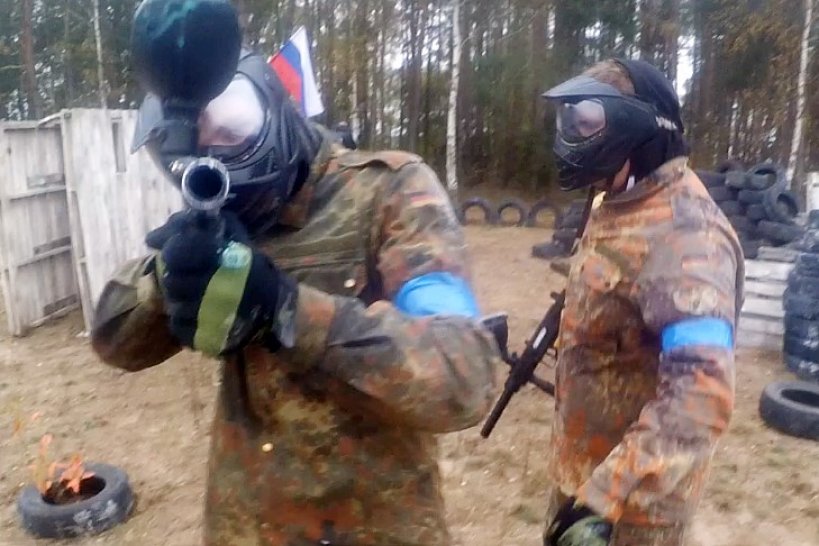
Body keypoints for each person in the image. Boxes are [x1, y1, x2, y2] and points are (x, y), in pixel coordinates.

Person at [90, 43, 500, 546]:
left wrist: (285, 309)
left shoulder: (388, 190)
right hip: (244, 528)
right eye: (197, 147)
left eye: (230, 131)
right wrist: (165, 278)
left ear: (275, 108)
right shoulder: (221, 215)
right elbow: (111, 340)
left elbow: (462, 373)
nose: (217, 156)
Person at [539, 59, 744, 546]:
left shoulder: (689, 236)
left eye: (588, 122)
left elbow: (700, 398)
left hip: (631, 511)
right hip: (584, 479)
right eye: (572, 121)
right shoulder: (620, 202)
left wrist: (604, 497)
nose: (575, 135)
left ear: (634, 128)